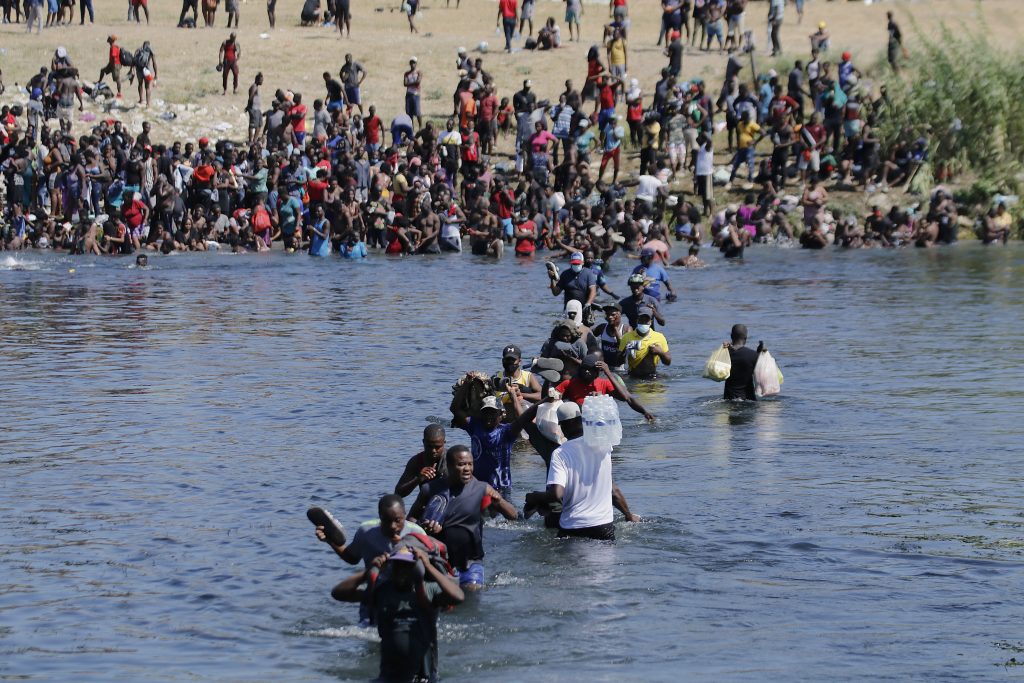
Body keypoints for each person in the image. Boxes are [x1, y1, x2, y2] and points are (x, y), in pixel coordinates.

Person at [330, 546, 464, 683]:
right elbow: (338, 593)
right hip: (388, 676)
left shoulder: (428, 589)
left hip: (423, 677)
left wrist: (428, 567)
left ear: (417, 568)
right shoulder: (381, 590)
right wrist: (368, 571)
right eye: (397, 565)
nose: (401, 570)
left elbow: (458, 597)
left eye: (407, 566)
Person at [409, 444, 519, 590]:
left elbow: (513, 516)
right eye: (461, 464)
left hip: (470, 562)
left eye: (470, 464)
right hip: (438, 559)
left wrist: (499, 500)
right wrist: (424, 526)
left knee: (471, 592)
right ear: (449, 466)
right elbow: (410, 520)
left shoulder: (482, 488)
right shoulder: (430, 489)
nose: (467, 468)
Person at [524, 401, 638, 539]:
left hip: (573, 527)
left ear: (562, 426)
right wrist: (628, 515)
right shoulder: (604, 446)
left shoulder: (560, 453)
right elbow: (613, 491)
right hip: (603, 527)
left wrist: (533, 497)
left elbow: (556, 494)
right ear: (582, 421)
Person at [314, 494, 425, 623]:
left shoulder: (417, 535)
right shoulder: (366, 532)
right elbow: (351, 557)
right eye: (386, 520)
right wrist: (330, 540)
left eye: (397, 520)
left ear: (405, 515)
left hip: (407, 594)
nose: (392, 526)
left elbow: (429, 568)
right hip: (376, 591)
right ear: (380, 517)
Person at [449, 392, 542, 493]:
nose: (489, 416)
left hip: (501, 488)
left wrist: (514, 396)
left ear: (502, 415)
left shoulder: (507, 432)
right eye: (486, 412)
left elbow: (523, 418)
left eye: (493, 412)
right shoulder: (474, 426)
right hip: (477, 486)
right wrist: (466, 385)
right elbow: (455, 409)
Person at [555, 354, 654, 421]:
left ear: (597, 371)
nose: (587, 372)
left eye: (590, 369)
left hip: (598, 423)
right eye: (584, 369)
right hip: (577, 423)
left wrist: (644, 412)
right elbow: (552, 400)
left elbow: (627, 398)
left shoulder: (604, 383)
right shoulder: (569, 384)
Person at [395, 425, 448, 497]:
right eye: (429, 446)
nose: (433, 451)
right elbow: (398, 493)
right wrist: (418, 479)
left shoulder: (452, 459)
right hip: (426, 501)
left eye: (437, 447)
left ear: (444, 443)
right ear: (423, 442)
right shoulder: (416, 461)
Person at [618, 307, 671, 378]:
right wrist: (625, 350)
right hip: (633, 377)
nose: (643, 322)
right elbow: (618, 362)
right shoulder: (627, 337)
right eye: (641, 320)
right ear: (637, 320)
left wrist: (660, 352)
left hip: (652, 377)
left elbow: (668, 362)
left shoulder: (659, 337)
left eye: (646, 320)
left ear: (650, 322)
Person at [723, 323, 761, 401]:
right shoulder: (753, 355)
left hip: (729, 400)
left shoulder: (725, 354)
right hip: (749, 400)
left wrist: (725, 348)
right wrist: (762, 354)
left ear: (731, 336)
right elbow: (764, 375)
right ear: (746, 337)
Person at [133, 41, 158, 107]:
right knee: (147, 87)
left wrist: (132, 70)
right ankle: (148, 104)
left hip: (139, 70)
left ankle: (141, 100)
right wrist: (156, 74)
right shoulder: (150, 51)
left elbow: (134, 61)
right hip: (147, 71)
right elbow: (154, 63)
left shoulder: (138, 50)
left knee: (140, 84)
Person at [403, 58, 423, 129]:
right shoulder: (407, 73)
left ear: (416, 64)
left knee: (417, 112)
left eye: (414, 63)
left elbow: (418, 82)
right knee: (409, 112)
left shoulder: (419, 72)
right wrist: (414, 83)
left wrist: (409, 83)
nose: (412, 64)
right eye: (411, 63)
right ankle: (411, 127)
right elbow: (405, 84)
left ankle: (420, 126)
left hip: (416, 94)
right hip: (409, 94)